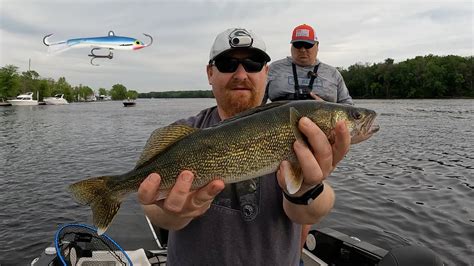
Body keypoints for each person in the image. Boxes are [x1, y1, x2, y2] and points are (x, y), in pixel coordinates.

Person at [138, 28, 351, 265]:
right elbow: (151, 204)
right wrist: (172, 214)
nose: (241, 74)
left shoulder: (295, 130)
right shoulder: (185, 132)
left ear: (266, 73)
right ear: (210, 73)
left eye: (253, 63)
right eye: (227, 63)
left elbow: (310, 211)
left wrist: (305, 190)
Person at [264, 24, 353, 104]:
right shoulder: (273, 69)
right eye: (298, 45)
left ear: (317, 46)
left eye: (308, 45)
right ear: (291, 46)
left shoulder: (333, 74)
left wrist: (326, 110)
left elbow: (349, 108)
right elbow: (256, 103)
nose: (302, 50)